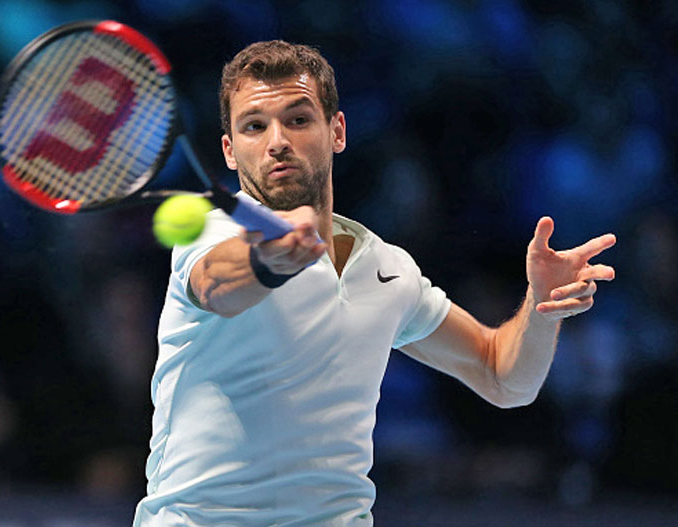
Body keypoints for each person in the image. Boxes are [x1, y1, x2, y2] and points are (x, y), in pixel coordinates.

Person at [133, 41, 616, 527]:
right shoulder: (214, 230)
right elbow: (216, 285)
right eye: (254, 126)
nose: (277, 140)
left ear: (337, 131)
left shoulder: (389, 269)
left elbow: (502, 376)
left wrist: (540, 306)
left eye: (298, 119)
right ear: (230, 151)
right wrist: (268, 259)